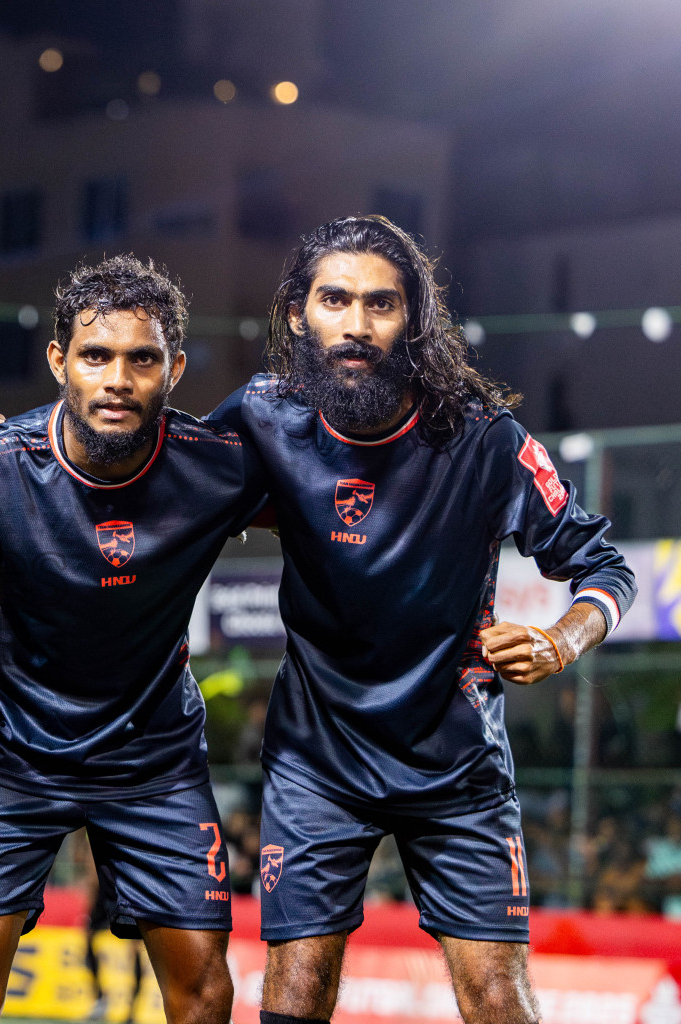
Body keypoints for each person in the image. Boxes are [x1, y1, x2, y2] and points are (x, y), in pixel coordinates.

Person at [209, 216, 636, 1024]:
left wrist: (559, 638)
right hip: (317, 759)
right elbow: (157, 498)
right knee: (295, 989)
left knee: (495, 994)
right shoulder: (260, 417)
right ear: (299, 312)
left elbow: (605, 567)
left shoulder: (482, 437)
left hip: (455, 762)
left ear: (414, 321)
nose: (358, 325)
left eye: (382, 304)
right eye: (335, 300)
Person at [0, 256, 265, 1024]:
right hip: (13, 752)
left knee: (207, 992)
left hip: (152, 754)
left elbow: (335, 512)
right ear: (60, 361)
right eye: (96, 356)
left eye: (141, 359)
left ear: (174, 369)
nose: (117, 378)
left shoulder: (218, 469)